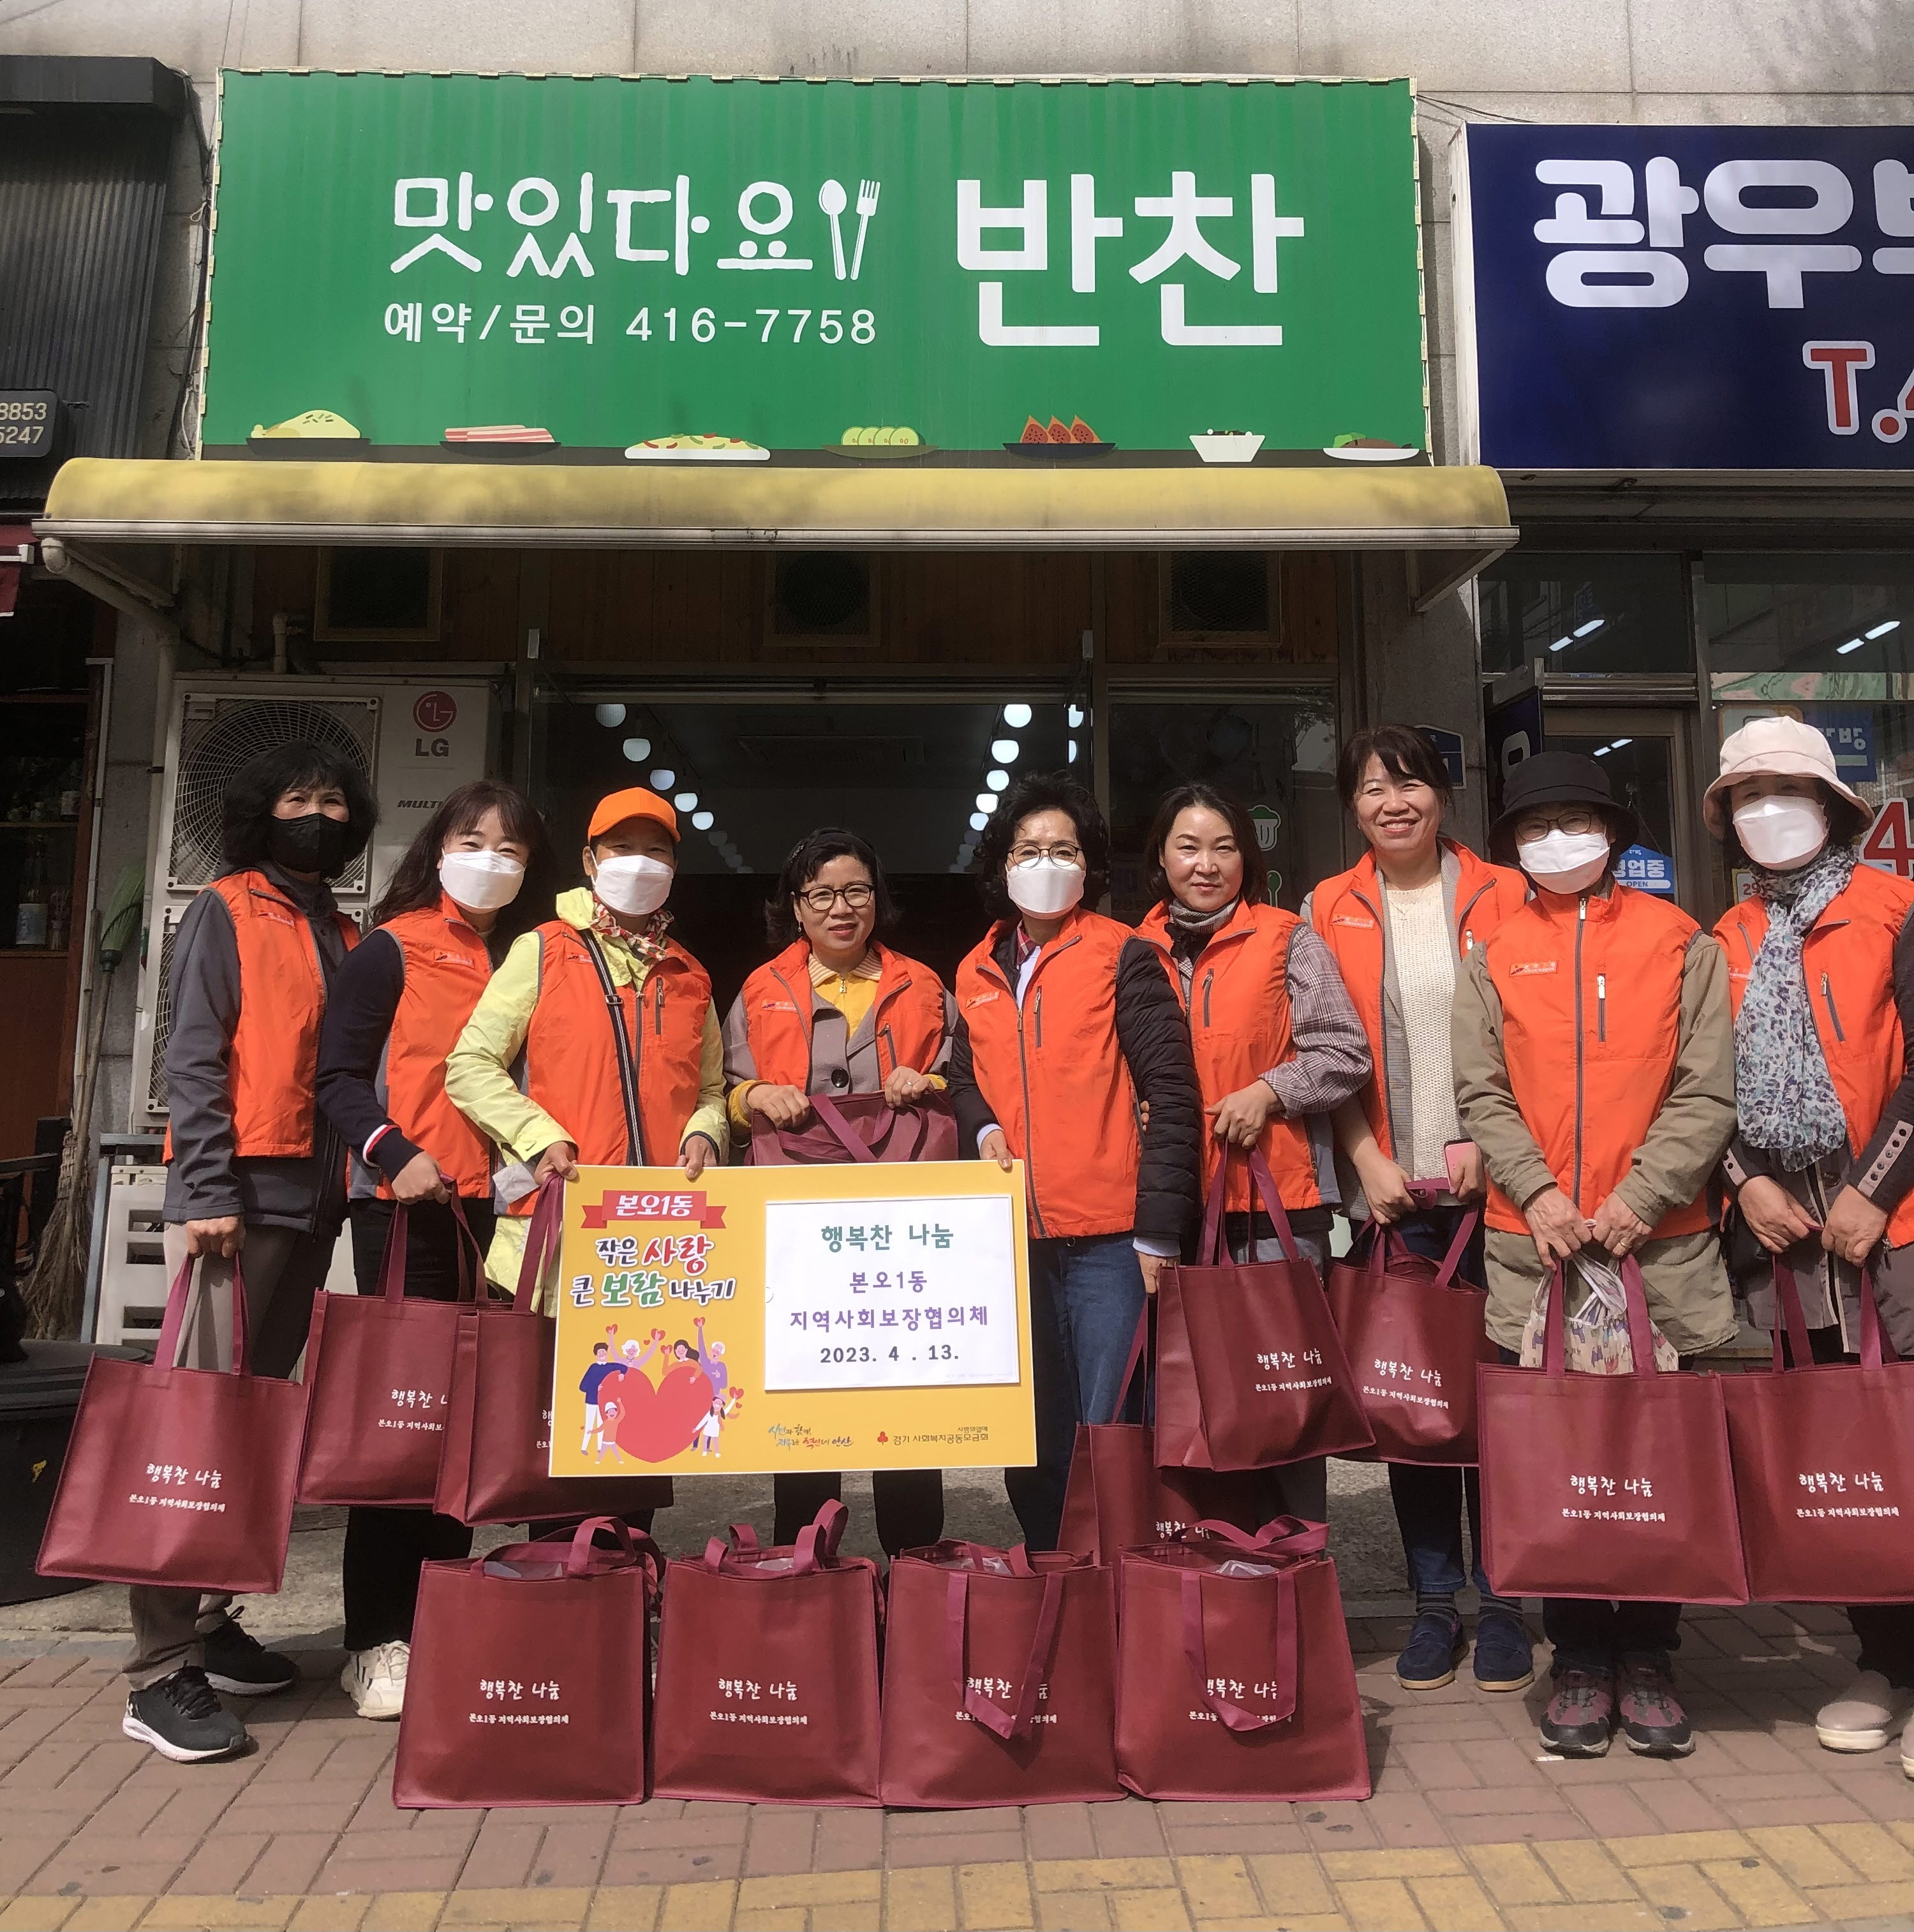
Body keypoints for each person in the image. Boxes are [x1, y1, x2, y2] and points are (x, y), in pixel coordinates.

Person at [1453, 750, 1737, 1761]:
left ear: (1613, 834)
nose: (1557, 840)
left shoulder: (1680, 941)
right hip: (1540, 1249)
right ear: (1514, 845)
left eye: (1576, 821)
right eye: (1536, 826)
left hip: (1658, 1247)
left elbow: (1707, 1090)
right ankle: (1577, 1656)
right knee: (1561, 1457)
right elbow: (1481, 1090)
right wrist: (1540, 1193)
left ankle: (1650, 1657)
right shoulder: (1493, 950)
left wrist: (1635, 1199)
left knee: (1659, 1455)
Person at [128, 739, 377, 1764]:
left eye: (333, 800)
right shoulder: (224, 910)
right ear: (259, 812)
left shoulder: (343, 928)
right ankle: (159, 1670)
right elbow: (193, 1054)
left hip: (312, 1205)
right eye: (297, 797)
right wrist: (205, 1190)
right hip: (240, 1201)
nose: (317, 812)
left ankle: (209, 1622)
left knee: (256, 1426)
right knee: (196, 1426)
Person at [315, 778, 556, 1720]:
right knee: (402, 1429)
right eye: (473, 840)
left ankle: (437, 1616)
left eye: (512, 849)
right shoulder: (392, 946)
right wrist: (393, 1152)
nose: (492, 859)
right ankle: (374, 1639)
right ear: (438, 848)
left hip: (508, 1218)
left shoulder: (537, 955)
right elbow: (337, 1076)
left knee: (472, 1431)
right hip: (409, 1209)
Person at [1305, 726, 1535, 1697]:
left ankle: (1508, 1600)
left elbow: (1532, 1032)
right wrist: (1366, 1159)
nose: (1392, 802)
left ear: (1443, 793)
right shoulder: (1327, 905)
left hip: (1501, 1192)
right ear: (1352, 807)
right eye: (1372, 789)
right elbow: (1322, 1043)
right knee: (1416, 1402)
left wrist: (1493, 1142)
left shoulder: (1505, 892)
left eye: (1408, 784)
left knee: (1502, 1401)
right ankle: (1436, 1601)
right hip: (1395, 1198)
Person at [1706, 716, 1914, 1771]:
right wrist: (1745, 1182)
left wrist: (1877, 1191)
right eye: (1747, 794)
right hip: (1795, 1248)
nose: (1767, 809)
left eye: (1786, 789)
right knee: (1848, 1455)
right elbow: (1696, 1088)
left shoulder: (1895, 909)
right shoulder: (1726, 936)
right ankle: (1882, 1661)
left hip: (1898, 1228)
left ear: (1832, 805)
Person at [947, 773, 1204, 1552]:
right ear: (1003, 864)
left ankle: (1119, 1578)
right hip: (1015, 1243)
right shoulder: (977, 969)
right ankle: (1055, 1572)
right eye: (1028, 850)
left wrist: (1158, 1231)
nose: (1046, 863)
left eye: (1063, 849)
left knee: (1112, 1424)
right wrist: (982, 1127)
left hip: (1111, 1243)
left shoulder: (1124, 955)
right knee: (1035, 1430)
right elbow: (963, 1076)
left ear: (1088, 864)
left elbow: (1173, 1092)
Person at [1136, 782, 1372, 1531]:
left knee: (1285, 1394)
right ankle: (1211, 1564)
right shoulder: (1132, 950)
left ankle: (1295, 1560)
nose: (1206, 864)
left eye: (1224, 847)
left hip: (1275, 1205)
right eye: (1188, 847)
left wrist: (1269, 1092)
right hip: (1169, 1211)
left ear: (1248, 857)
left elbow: (1344, 1051)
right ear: (1161, 857)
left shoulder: (1287, 938)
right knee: (1193, 1398)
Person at [722, 828, 953, 1555]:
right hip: (799, 1231)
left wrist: (930, 1080)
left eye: (856, 891)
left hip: (900, 1228)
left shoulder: (924, 985)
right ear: (796, 906)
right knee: (804, 1392)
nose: (840, 908)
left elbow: (969, 1078)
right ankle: (806, 1569)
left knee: (905, 1394)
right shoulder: (760, 989)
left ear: (877, 899)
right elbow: (721, 1088)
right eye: (821, 894)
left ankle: (914, 1568)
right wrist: (755, 1094)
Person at [445, 785, 728, 1296]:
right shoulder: (544, 949)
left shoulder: (691, 975)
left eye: (656, 850)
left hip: (665, 1232)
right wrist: (538, 1138)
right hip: (557, 1223)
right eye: (622, 847)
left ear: (674, 867)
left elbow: (710, 1091)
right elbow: (471, 1064)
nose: (639, 862)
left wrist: (706, 1134)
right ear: (590, 861)